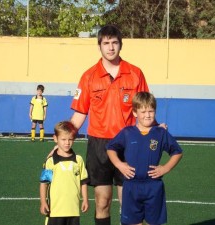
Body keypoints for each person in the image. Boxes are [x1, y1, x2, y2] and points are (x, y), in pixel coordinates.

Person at [69, 25, 151, 225]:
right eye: (106, 43)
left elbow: (145, 110)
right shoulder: (88, 76)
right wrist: (63, 140)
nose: (111, 47)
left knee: (129, 204)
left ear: (121, 45)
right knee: (102, 202)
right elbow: (79, 114)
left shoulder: (135, 73)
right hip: (99, 146)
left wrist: (157, 131)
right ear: (99, 46)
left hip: (129, 145)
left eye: (114, 42)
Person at [106, 92, 183, 225]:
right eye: (143, 111)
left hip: (153, 186)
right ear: (135, 113)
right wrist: (119, 164)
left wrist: (165, 168)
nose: (147, 115)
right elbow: (111, 148)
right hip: (131, 185)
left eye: (151, 111)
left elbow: (177, 152)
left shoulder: (160, 133)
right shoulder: (127, 132)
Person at [39, 121, 89, 225]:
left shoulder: (78, 160)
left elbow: (83, 182)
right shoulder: (50, 161)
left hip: (73, 210)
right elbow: (44, 183)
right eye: (63, 139)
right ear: (55, 139)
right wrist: (43, 202)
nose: (67, 143)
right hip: (55, 211)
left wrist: (85, 199)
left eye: (70, 139)